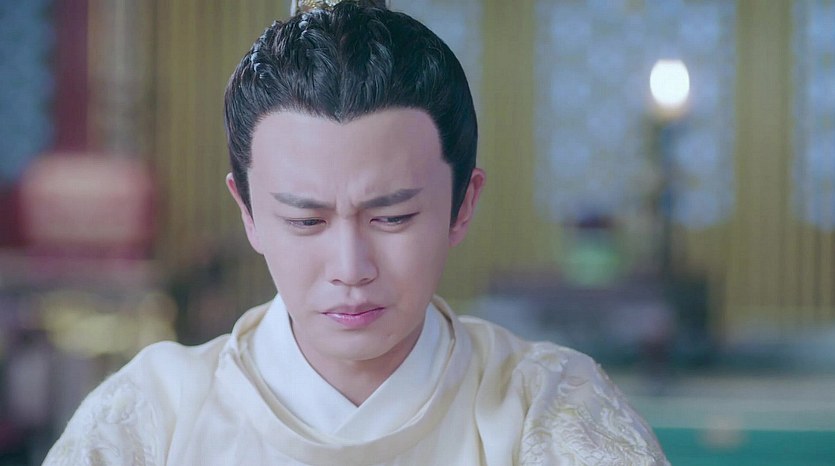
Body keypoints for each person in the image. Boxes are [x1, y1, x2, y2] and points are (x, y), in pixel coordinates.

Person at [44, 1, 669, 464]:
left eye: (392, 217)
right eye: (305, 220)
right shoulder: (150, 420)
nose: (350, 267)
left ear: (462, 204)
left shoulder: (550, 411)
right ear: (248, 212)